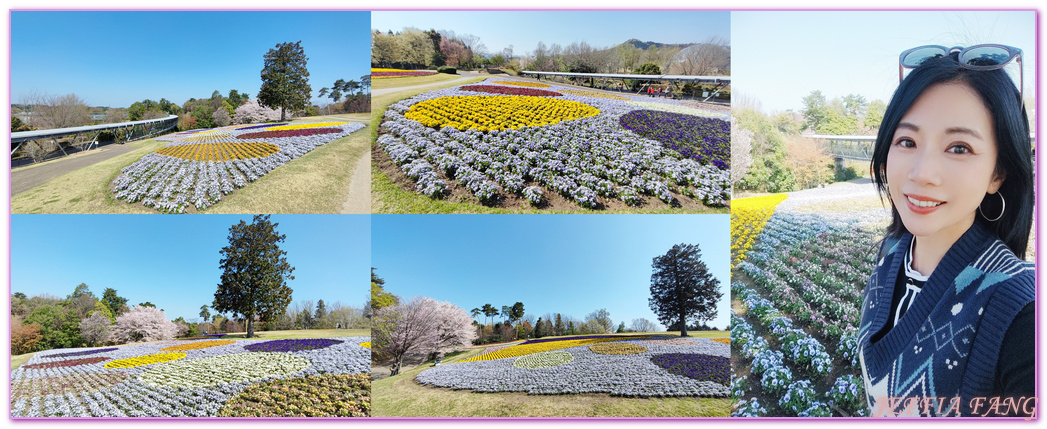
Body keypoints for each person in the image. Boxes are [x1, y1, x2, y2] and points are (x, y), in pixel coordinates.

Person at [859, 45, 1034, 417]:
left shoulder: (1021, 308)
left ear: (998, 173)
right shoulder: (890, 253)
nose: (922, 172)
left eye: (959, 147)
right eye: (907, 141)